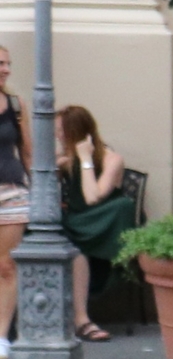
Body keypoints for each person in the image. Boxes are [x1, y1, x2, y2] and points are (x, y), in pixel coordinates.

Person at [53, 105, 134, 344]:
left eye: (61, 131)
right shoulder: (66, 160)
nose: (58, 136)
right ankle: (79, 320)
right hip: (76, 225)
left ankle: (80, 320)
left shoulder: (112, 159)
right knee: (73, 249)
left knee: (123, 206)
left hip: (102, 225)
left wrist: (85, 158)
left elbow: (92, 197)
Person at [0, 44, 26, 358]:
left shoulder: (16, 105)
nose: (5, 69)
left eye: (7, 63)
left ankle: (2, 335)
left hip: (11, 191)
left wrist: (44, 194)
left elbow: (29, 151)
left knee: (6, 266)